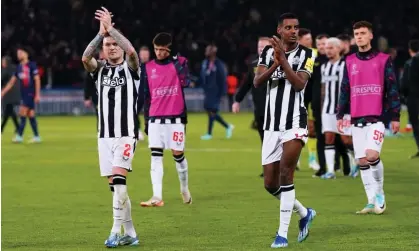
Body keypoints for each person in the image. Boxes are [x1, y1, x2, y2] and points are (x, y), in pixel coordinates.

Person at [253, 13, 316, 248]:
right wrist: (277, 63)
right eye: (288, 27)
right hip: (271, 125)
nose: (293, 31)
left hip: (294, 123)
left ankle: (282, 234)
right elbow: (257, 81)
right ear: (279, 30)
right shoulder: (267, 52)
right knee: (270, 184)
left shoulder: (307, 54)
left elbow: (300, 84)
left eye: (296, 27)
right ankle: (304, 212)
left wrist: (285, 63)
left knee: (286, 174)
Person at [81, 7, 140, 247]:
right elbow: (85, 58)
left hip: (125, 135)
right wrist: (100, 33)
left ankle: (115, 231)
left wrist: (112, 30)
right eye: (107, 45)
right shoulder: (100, 71)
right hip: (104, 136)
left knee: (119, 181)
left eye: (114, 44)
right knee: (117, 190)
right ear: (103, 50)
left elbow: (132, 51)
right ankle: (131, 233)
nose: (112, 47)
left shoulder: (132, 68)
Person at [336, 21, 401, 215]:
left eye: (363, 33)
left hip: (377, 118)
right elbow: (345, 89)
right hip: (357, 118)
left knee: (372, 155)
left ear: (371, 35)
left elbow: (392, 88)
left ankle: (380, 193)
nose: (359, 36)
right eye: (356, 34)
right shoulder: (349, 61)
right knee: (362, 161)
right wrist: (340, 114)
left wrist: (395, 116)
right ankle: (371, 201)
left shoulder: (383, 59)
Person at [140, 32, 192, 207]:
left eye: (162, 50)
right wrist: (146, 120)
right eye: (156, 49)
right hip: (155, 118)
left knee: (178, 155)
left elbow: (186, 82)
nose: (158, 53)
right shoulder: (147, 67)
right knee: (155, 156)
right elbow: (146, 96)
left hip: (175, 118)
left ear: (169, 49)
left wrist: (176, 61)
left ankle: (184, 188)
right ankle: (156, 195)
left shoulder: (181, 63)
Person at [233, 36, 270, 177]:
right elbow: (246, 84)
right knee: (264, 140)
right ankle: (268, 170)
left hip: (276, 110)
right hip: (259, 110)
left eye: (264, 46)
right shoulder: (253, 63)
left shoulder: (279, 63)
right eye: (259, 46)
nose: (261, 49)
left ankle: (283, 167)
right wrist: (237, 100)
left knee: (276, 141)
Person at [320, 37, 357, 179]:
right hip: (327, 110)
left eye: (331, 48)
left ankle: (357, 161)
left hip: (344, 110)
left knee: (346, 140)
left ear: (338, 49)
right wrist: (322, 107)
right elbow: (323, 89)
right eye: (327, 48)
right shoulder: (324, 67)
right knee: (328, 138)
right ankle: (330, 171)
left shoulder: (346, 65)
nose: (328, 51)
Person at [1, 47, 41, 143]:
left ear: (26, 54)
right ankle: (36, 137)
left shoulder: (32, 65)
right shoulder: (19, 67)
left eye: (21, 53)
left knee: (22, 112)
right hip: (24, 94)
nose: (19, 55)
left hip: (30, 94)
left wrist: (37, 95)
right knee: (30, 114)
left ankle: (19, 136)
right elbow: (11, 82)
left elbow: (37, 80)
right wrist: (3, 92)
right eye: (18, 53)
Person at [200, 44, 234, 140]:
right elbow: (203, 76)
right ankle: (228, 126)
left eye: (208, 51)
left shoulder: (219, 64)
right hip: (208, 91)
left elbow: (223, 78)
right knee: (210, 112)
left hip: (216, 92)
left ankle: (210, 133)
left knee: (212, 112)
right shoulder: (205, 63)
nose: (206, 52)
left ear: (212, 53)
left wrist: (223, 92)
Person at [298, 28, 320, 171]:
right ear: (299, 40)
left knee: (312, 129)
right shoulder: (292, 54)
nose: (310, 41)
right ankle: (295, 159)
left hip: (312, 96)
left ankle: (312, 159)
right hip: (296, 96)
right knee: (295, 129)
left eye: (310, 39)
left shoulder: (316, 54)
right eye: (307, 39)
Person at [403, 39, 419, 158]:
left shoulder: (409, 63)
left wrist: (403, 96)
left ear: (410, 50)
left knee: (415, 123)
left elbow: (404, 83)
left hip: (414, 98)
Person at [1, 56, 20, 133]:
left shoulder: (6, 69)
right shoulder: (15, 68)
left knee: (8, 110)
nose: (2, 63)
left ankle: (17, 127)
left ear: (5, 62)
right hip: (16, 92)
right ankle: (18, 127)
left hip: (8, 93)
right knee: (9, 111)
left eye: (2, 62)